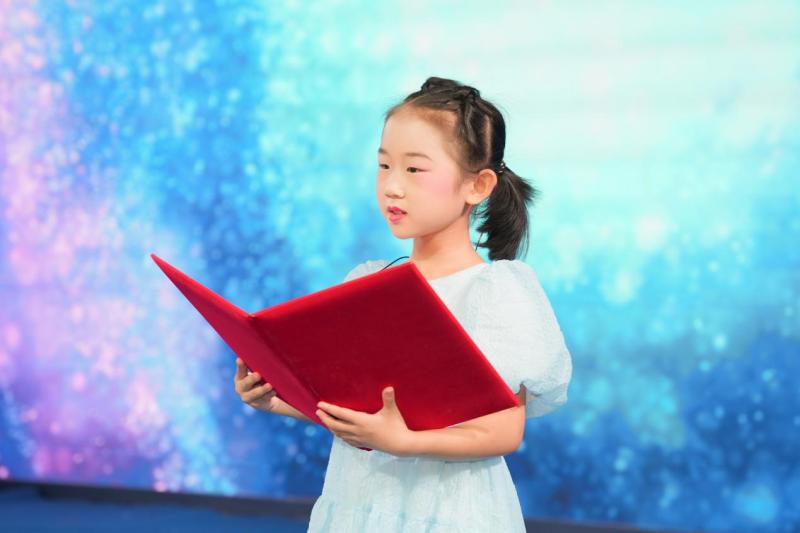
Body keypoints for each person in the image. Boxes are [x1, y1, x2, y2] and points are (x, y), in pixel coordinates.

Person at [233, 76, 573, 532]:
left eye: (414, 170)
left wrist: (405, 441)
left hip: (448, 512)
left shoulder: (494, 292)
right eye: (384, 165)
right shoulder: (368, 282)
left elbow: (503, 431)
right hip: (360, 501)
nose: (392, 186)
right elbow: (354, 405)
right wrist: (278, 398)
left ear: (478, 185)